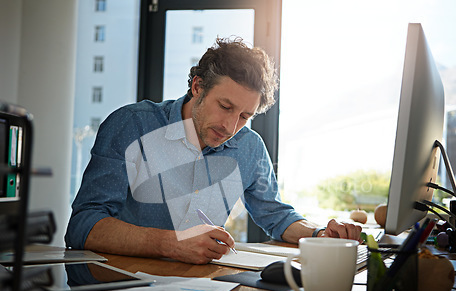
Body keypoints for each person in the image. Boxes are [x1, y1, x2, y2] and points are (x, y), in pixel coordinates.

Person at [65, 37, 361, 264]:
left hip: (201, 288)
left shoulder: (250, 147)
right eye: (225, 106)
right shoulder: (132, 124)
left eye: (245, 116)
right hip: (121, 286)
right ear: (197, 87)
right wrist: (172, 243)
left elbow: (276, 215)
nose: (232, 126)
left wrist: (320, 234)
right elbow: (82, 226)